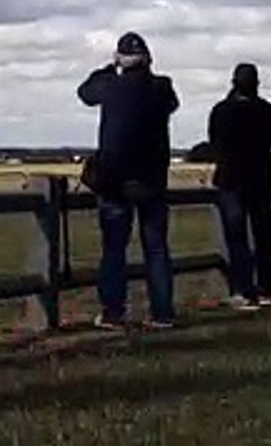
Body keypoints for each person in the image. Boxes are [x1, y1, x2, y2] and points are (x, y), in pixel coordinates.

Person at [77, 32, 180, 330]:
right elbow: (171, 105)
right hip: (151, 181)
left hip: (114, 181)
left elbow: (85, 93)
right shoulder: (162, 88)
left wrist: (109, 68)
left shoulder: (110, 85)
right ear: (147, 59)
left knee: (114, 249)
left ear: (122, 58)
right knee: (157, 249)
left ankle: (113, 312)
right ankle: (162, 313)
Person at [207, 64, 271, 310]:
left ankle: (242, 288)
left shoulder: (221, 111)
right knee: (263, 234)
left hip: (230, 179)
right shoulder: (267, 110)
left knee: (236, 236)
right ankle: (264, 287)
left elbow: (214, 141)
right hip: (258, 179)